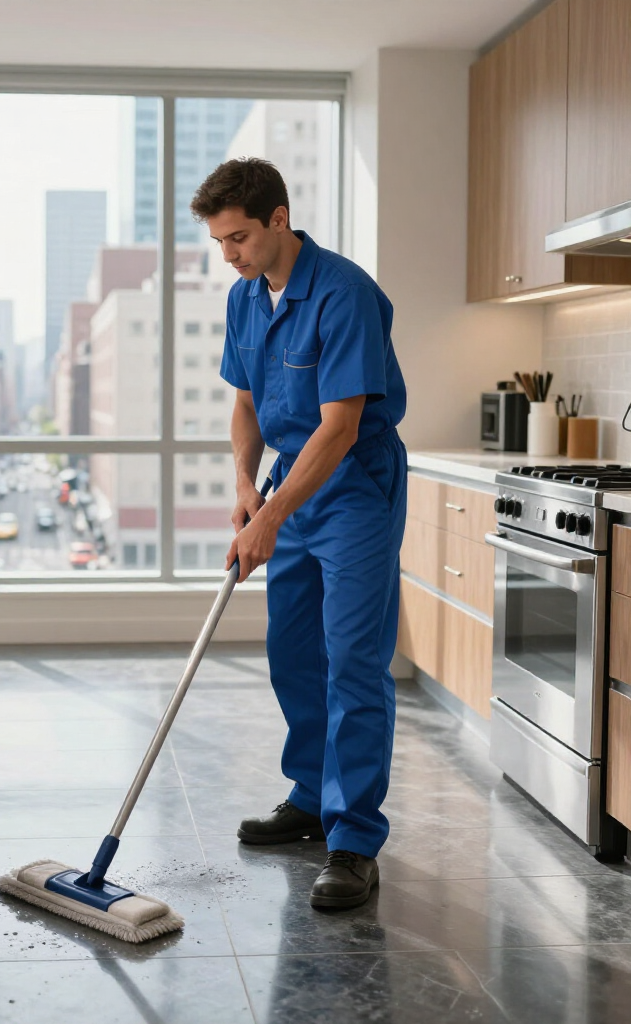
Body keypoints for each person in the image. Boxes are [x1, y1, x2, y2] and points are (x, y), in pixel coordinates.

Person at [190, 157, 407, 910]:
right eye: (220, 243)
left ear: (279, 219)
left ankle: (352, 840)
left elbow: (341, 427)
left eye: (240, 237)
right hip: (289, 484)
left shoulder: (344, 293)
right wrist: (249, 489)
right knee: (293, 654)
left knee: (352, 660)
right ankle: (312, 798)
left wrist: (272, 517)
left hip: (352, 488)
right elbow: (247, 406)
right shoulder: (245, 299)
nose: (231, 255)